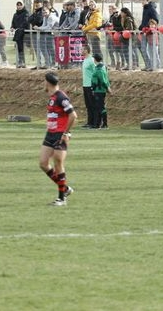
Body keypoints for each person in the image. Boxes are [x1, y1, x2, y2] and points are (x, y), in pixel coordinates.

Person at [40, 71, 77, 206]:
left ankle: (61, 198)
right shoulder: (52, 97)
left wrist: (66, 133)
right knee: (43, 163)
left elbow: (73, 116)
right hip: (50, 134)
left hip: (60, 135)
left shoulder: (61, 97)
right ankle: (65, 188)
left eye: (44, 81)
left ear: (48, 83)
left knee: (58, 164)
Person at [91, 53, 113, 129]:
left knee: (100, 107)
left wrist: (107, 88)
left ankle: (104, 124)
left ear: (95, 59)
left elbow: (103, 81)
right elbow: (106, 79)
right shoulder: (102, 67)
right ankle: (99, 123)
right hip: (99, 90)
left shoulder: (99, 69)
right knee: (99, 107)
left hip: (99, 90)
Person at [80, 44, 96, 128]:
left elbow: (95, 72)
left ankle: (94, 122)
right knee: (88, 105)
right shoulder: (85, 60)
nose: (80, 51)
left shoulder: (91, 60)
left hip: (90, 85)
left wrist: (94, 84)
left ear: (86, 50)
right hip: (85, 85)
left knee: (92, 104)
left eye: (82, 49)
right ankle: (89, 122)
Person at [11, 1, 29, 68]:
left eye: (20, 5)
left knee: (22, 48)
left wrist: (20, 28)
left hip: (24, 33)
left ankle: (23, 62)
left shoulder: (26, 13)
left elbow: (25, 22)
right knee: (19, 48)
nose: (19, 6)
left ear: (23, 5)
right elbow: (13, 23)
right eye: (17, 5)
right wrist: (12, 27)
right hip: (18, 33)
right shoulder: (15, 14)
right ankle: (20, 61)